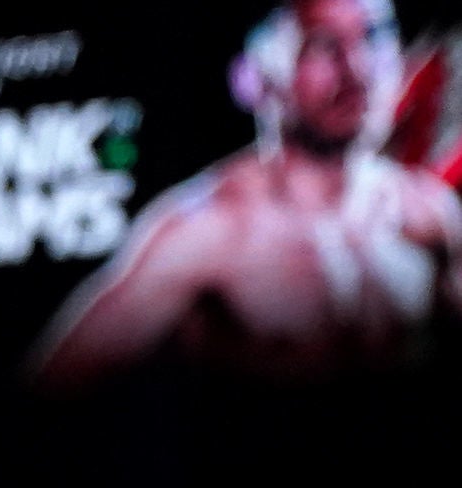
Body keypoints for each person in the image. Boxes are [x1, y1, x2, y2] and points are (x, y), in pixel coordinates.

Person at [34, 0, 462, 387]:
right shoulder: (207, 230)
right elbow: (53, 385)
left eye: (374, 37)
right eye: (322, 45)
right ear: (254, 79)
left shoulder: (428, 213)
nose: (358, 68)